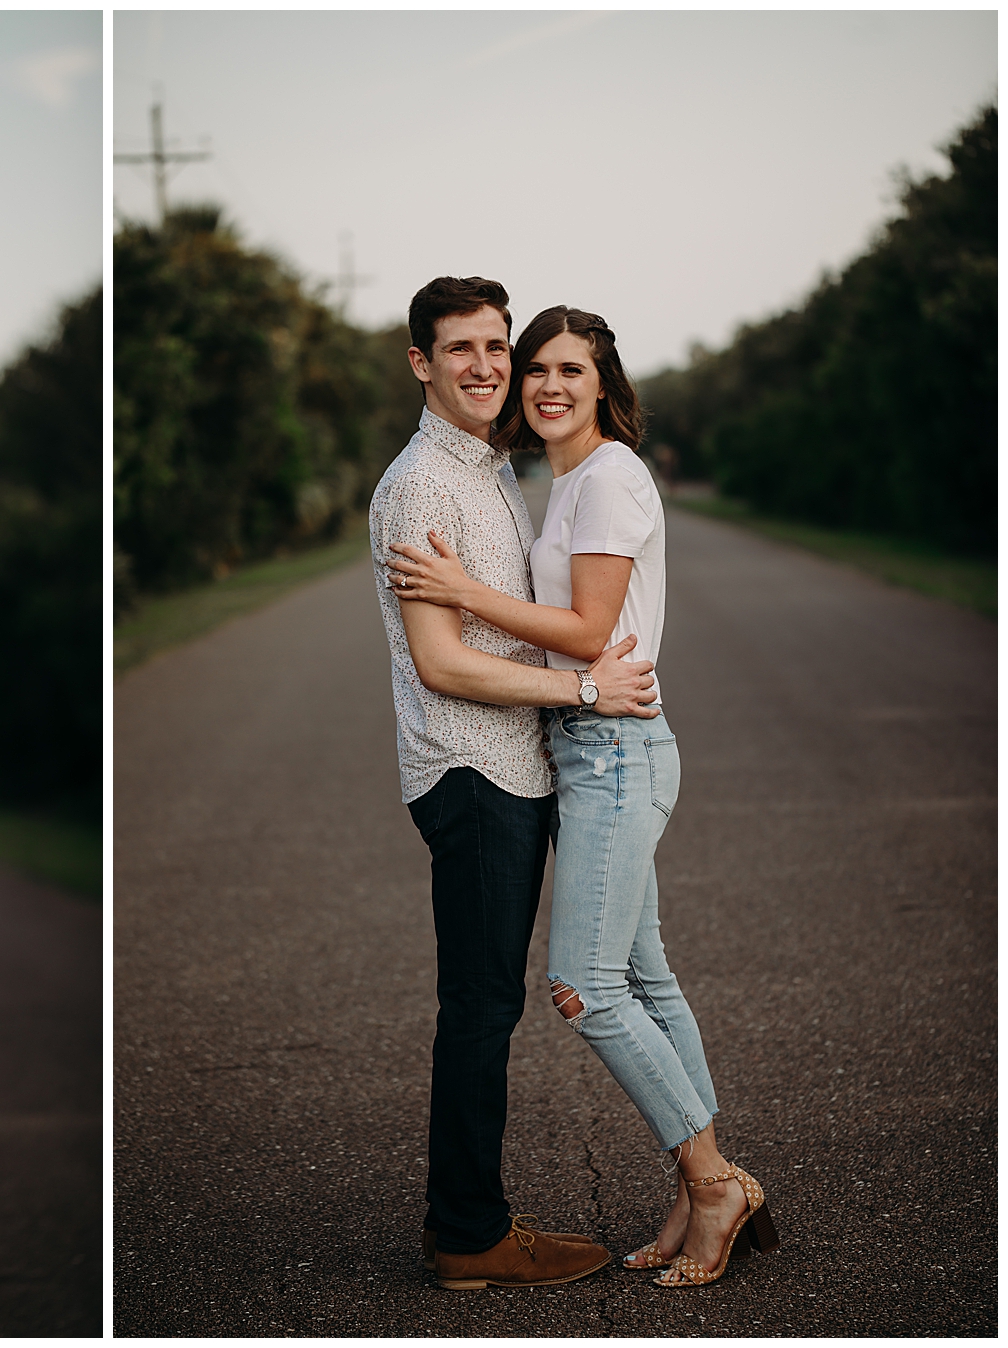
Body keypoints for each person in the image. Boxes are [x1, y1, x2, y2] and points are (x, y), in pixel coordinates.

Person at [385, 304, 781, 1288]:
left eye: (572, 369)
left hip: (611, 749)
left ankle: (714, 1176)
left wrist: (465, 594)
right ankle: (697, 1189)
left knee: (585, 984)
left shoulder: (606, 481)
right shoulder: (559, 483)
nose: (548, 384)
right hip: (587, 746)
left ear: (606, 384)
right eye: (537, 370)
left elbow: (591, 626)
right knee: (643, 975)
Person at [368, 277, 663, 1291]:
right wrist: (581, 683)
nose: (488, 366)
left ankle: (467, 1215)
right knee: (482, 1004)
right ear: (421, 362)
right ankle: (470, 1233)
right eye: (464, 349)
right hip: (473, 770)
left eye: (500, 345)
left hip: (511, 768)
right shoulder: (422, 486)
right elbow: (443, 663)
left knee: (491, 1000)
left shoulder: (488, 467)